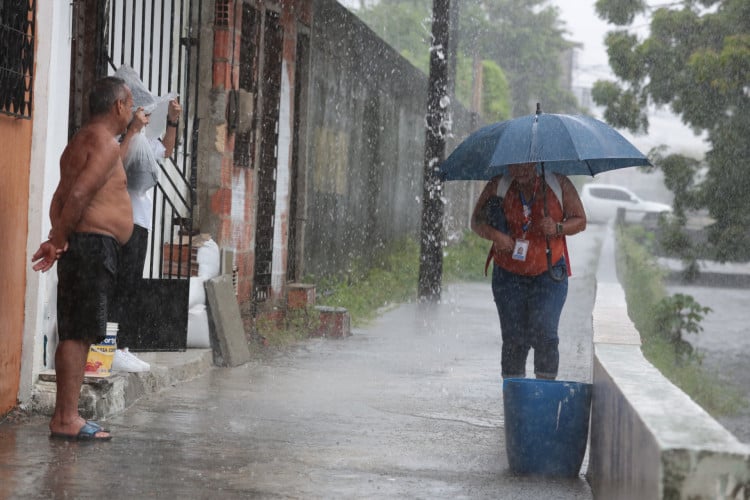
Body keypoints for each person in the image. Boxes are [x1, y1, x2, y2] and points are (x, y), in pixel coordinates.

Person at [32, 76, 135, 441]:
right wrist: (58, 239)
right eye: (130, 103)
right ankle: (67, 418)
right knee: (78, 334)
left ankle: (66, 416)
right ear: (118, 105)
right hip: (92, 247)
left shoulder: (80, 141)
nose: (132, 110)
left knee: (76, 331)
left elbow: (60, 198)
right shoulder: (104, 144)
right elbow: (77, 195)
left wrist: (56, 238)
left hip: (83, 245)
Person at [471, 162, 587, 380]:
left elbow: (581, 221)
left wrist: (558, 227)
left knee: (545, 334)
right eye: (515, 164)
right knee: (514, 340)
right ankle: (516, 400)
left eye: (526, 164)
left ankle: (542, 397)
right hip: (508, 275)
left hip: (549, 273)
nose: (520, 169)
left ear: (537, 161)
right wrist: (497, 236)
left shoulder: (558, 183)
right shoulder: (499, 185)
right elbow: (475, 221)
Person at [110, 98, 182, 372]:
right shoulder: (119, 139)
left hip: (141, 222)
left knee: (131, 286)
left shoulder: (143, 141)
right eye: (142, 112)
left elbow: (165, 150)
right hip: (122, 220)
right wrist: (131, 132)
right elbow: (114, 163)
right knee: (121, 285)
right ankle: (112, 345)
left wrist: (173, 120)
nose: (147, 118)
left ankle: (123, 346)